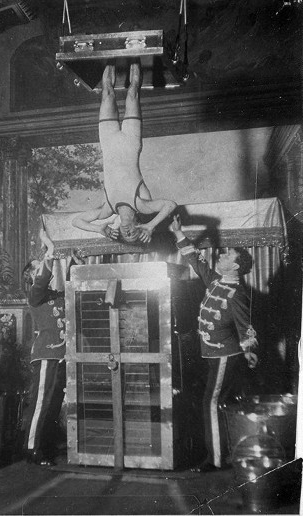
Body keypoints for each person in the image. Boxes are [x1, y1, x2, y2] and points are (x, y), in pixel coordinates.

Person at [169, 214, 258, 472]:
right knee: (211, 402)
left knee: (211, 402)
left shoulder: (236, 293)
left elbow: (246, 326)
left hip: (225, 356)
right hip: (210, 354)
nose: (221, 256)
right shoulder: (216, 281)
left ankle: (216, 459)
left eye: (227, 256)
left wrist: (250, 350)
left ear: (235, 267)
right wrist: (178, 233)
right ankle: (220, 452)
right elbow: (196, 261)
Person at [72, 61, 177, 244]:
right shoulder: (143, 206)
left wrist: (98, 228)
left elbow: (76, 221)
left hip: (109, 142)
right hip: (130, 142)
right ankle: (135, 57)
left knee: (107, 94)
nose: (128, 232)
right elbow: (170, 205)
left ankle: (110, 58)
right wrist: (150, 226)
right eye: (133, 234)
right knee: (132, 93)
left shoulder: (107, 209)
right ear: (139, 227)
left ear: (118, 229)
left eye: (124, 235)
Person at [21, 231, 82, 466]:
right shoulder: (34, 295)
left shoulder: (54, 296)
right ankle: (32, 448)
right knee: (41, 402)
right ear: (31, 277)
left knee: (54, 403)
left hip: (62, 355)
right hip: (46, 355)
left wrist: (73, 265)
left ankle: (45, 445)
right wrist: (49, 250)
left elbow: (68, 288)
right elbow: (42, 279)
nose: (43, 272)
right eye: (37, 269)